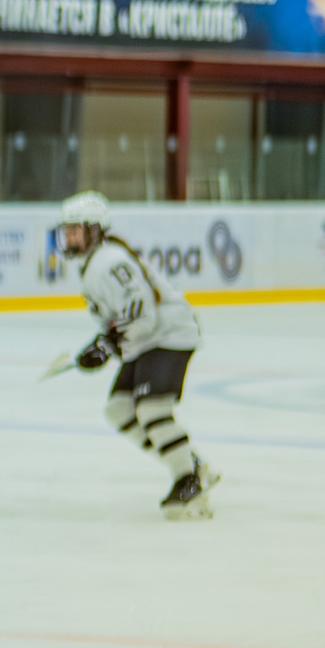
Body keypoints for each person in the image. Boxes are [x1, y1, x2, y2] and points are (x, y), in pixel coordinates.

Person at [60, 190, 219, 520]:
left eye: (77, 228)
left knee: (150, 409)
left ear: (95, 230)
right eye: (68, 229)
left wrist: (108, 345)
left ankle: (188, 481)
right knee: (119, 409)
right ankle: (191, 463)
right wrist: (103, 342)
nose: (70, 235)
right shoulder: (94, 264)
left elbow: (143, 316)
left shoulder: (111, 262)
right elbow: (121, 320)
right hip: (150, 339)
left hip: (169, 335)